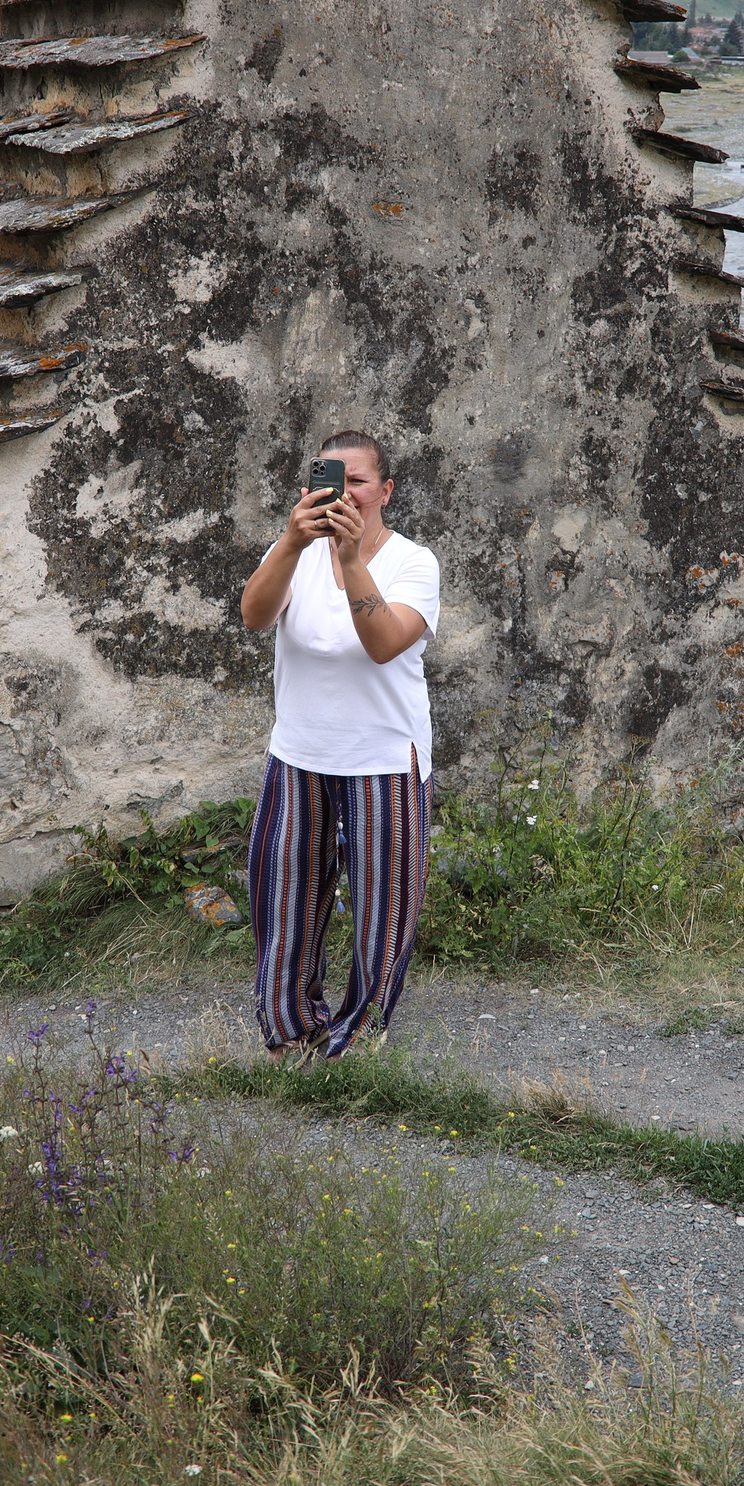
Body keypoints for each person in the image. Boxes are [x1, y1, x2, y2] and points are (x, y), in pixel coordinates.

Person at [237, 429, 440, 1060]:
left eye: (358, 481)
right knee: (284, 897)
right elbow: (254, 615)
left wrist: (351, 560)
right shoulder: (292, 552)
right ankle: (291, 1032)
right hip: (298, 753)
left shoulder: (413, 562)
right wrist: (292, 542)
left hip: (384, 757)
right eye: (331, 479)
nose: (345, 493)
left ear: (386, 490)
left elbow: (384, 645)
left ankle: (359, 1038)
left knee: (384, 909)